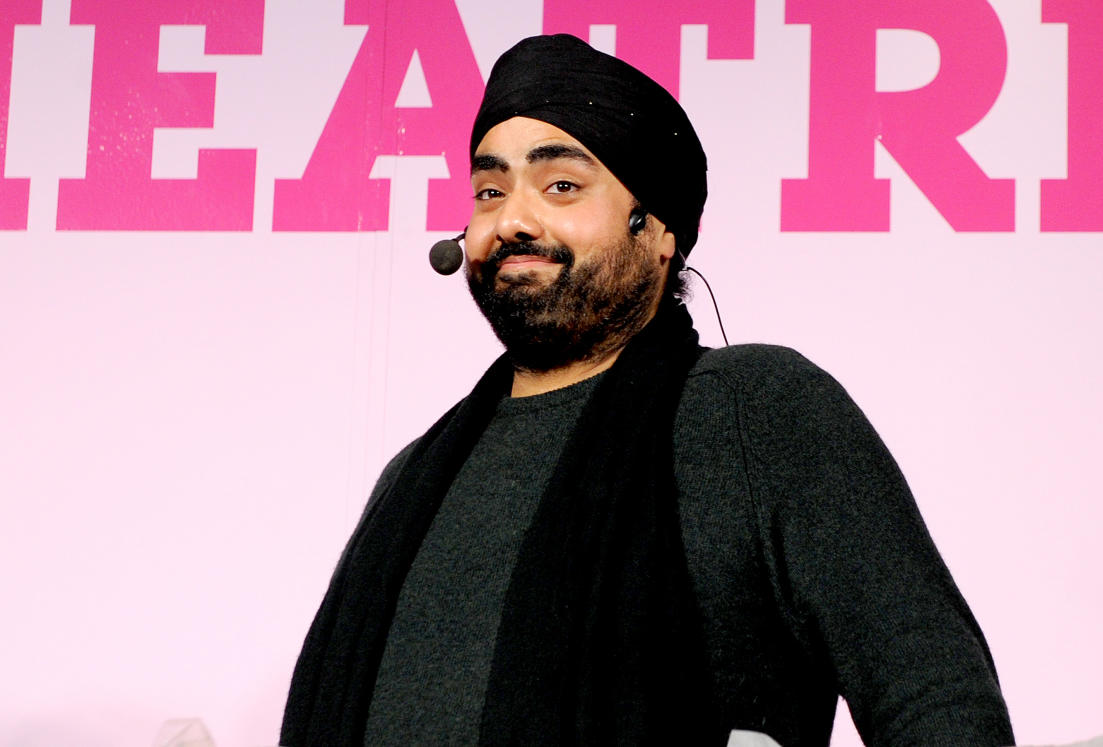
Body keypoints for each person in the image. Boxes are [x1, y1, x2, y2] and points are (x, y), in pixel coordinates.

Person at [281, 34, 1014, 747]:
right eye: (488, 190)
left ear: (658, 229)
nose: (510, 220)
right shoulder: (410, 477)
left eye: (560, 184)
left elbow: (937, 700)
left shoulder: (758, 412)